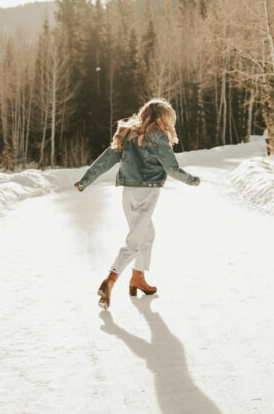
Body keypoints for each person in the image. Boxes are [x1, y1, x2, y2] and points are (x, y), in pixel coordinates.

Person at [74, 98, 200, 309]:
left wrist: (84, 180)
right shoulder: (158, 137)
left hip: (128, 192)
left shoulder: (128, 133)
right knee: (135, 240)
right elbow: (172, 168)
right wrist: (192, 180)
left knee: (147, 233)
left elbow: (106, 159)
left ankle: (137, 278)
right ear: (163, 119)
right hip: (147, 192)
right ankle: (110, 280)